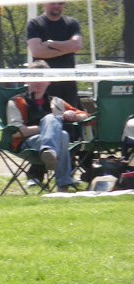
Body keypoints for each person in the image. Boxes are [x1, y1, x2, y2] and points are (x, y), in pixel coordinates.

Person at [6, 60, 90, 192]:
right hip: (26, 143)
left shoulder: (56, 102)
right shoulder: (16, 102)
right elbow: (15, 132)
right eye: (35, 78)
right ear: (27, 80)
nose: (39, 82)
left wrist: (75, 116)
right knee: (53, 122)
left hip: (52, 141)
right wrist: (48, 127)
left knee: (63, 135)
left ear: (49, 81)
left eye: (43, 78)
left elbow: (86, 116)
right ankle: (63, 182)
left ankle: (50, 153)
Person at [26, 1, 83, 184]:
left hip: (68, 85)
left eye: (61, 2)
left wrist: (51, 44)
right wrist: (66, 47)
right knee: (44, 123)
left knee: (68, 127)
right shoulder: (35, 24)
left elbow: (77, 45)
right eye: (53, 2)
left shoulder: (72, 23)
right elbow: (37, 51)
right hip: (43, 85)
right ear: (44, 3)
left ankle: (66, 173)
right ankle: (36, 174)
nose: (57, 6)